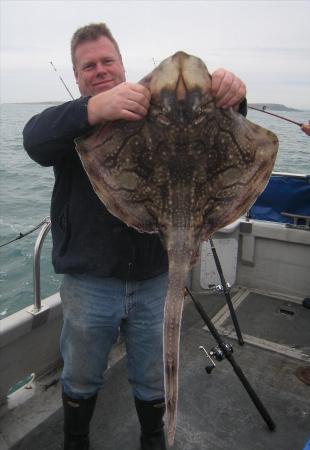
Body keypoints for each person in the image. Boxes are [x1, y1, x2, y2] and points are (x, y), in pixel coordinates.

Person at [23, 23, 247, 450]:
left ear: (123, 65)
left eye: (108, 61)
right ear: (77, 76)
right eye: (89, 66)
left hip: (154, 277)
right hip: (90, 283)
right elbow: (33, 140)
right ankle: (76, 441)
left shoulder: (153, 108)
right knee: (83, 373)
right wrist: (92, 111)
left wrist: (235, 95)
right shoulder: (71, 125)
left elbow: (225, 134)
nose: (100, 69)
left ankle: (154, 440)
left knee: (152, 372)